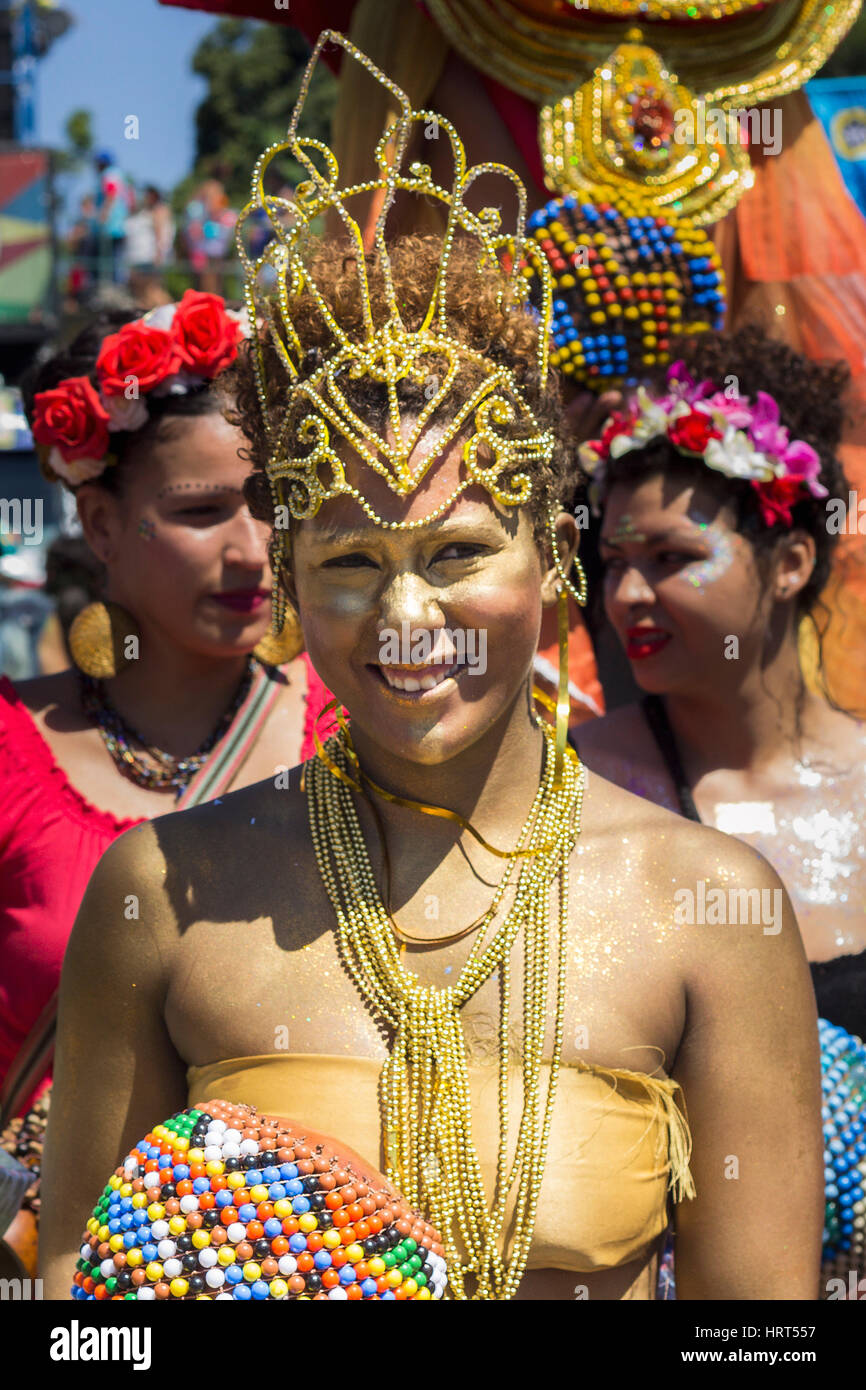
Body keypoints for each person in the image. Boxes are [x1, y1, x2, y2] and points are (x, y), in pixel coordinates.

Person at [39, 34, 821, 1302]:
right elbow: (71, 1314)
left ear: (555, 560)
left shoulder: (706, 910)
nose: (406, 614)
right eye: (349, 561)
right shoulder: (166, 895)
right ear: (288, 578)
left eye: (458, 552)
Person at [1, 291, 332, 1276]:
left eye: (270, 501)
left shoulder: (348, 736)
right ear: (101, 523)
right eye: (199, 512)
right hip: (58, 1265)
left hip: (303, 1255)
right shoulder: (15, 749)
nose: (251, 549)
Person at [574, 325, 866, 1293]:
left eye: (667, 556)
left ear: (787, 562)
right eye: (611, 560)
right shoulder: (572, 788)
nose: (625, 594)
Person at [93, 151, 131, 286]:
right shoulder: (118, 174)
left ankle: (112, 287)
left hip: (111, 226)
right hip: (118, 224)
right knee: (116, 260)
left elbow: (111, 193)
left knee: (109, 261)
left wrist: (104, 214)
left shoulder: (109, 174)